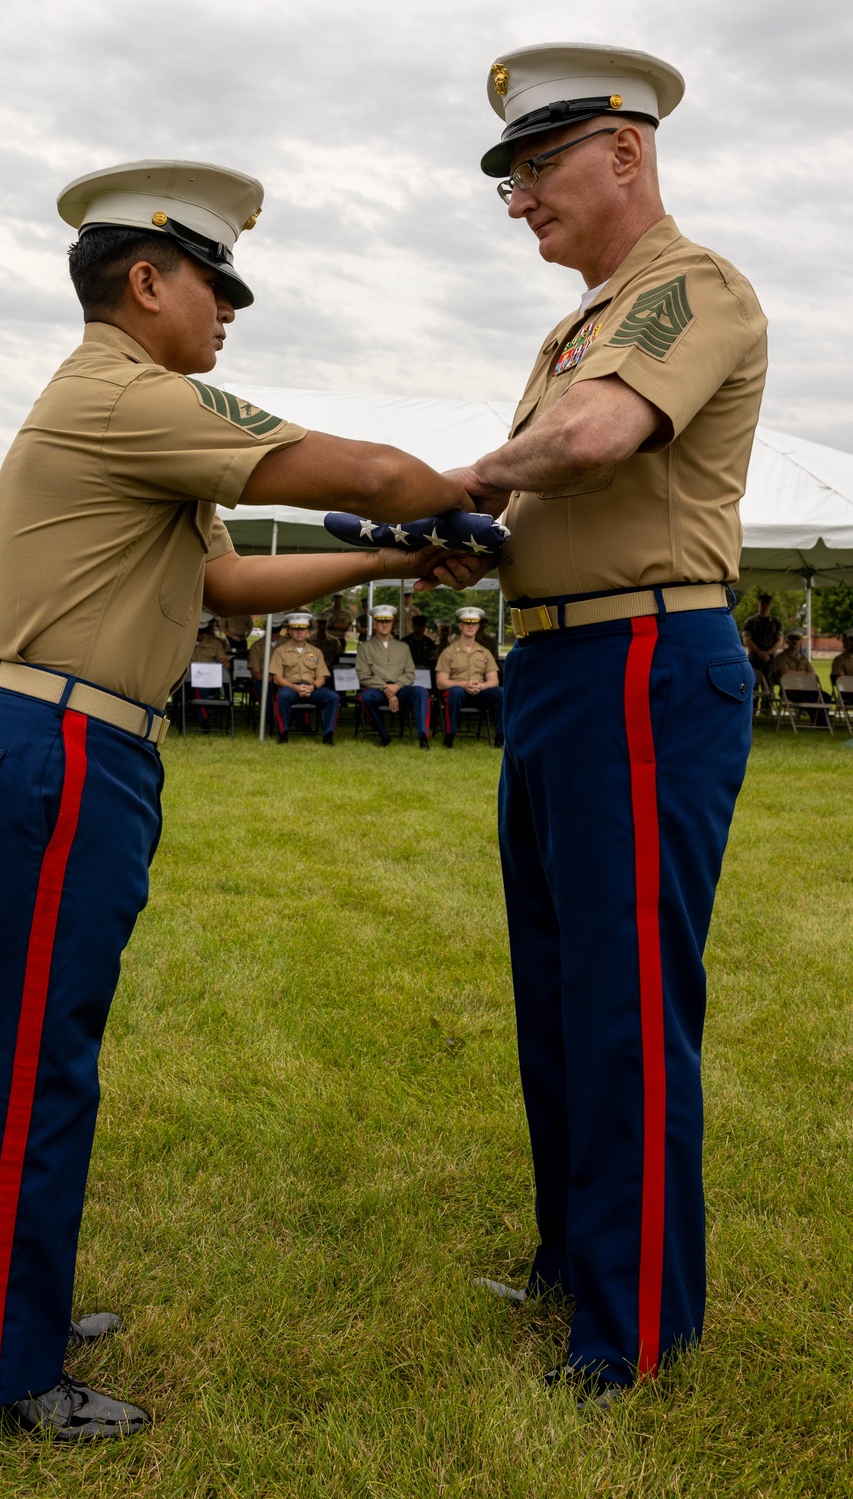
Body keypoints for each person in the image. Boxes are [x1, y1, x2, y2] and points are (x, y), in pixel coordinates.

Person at [0, 157, 481, 1441]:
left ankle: (16, 1310)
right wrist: (458, 493)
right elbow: (348, 462)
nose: (230, 311)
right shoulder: (131, 395)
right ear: (146, 281)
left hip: (78, 749)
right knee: (28, 1069)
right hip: (60, 749)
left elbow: (223, 591)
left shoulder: (136, 416)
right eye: (216, 285)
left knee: (44, 1053)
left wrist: (402, 555)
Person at [447, 44, 767, 1403]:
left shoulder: (688, 289)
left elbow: (589, 442)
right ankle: (582, 1260)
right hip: (564, 669)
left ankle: (631, 1328)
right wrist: (475, 532)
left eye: (537, 165)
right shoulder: (581, 321)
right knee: (562, 987)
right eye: (510, 175)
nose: (519, 196)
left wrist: (457, 473)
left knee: (627, 1000)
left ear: (626, 152)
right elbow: (553, 486)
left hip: (643, 660)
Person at [355, 603, 432, 747]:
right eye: (381, 621)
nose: (384, 624)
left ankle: (423, 737)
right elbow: (363, 675)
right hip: (377, 690)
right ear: (375, 624)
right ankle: (384, 735)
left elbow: (410, 673)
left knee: (421, 692)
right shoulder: (365, 648)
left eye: (388, 621)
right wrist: (388, 690)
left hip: (400, 689)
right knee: (365, 697)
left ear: (392, 623)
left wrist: (397, 686)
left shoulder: (403, 647)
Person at [435, 606, 503, 747]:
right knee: (455, 693)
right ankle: (449, 736)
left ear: (478, 626)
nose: (470, 626)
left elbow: (494, 680)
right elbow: (440, 682)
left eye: (473, 623)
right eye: (467, 623)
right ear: (460, 626)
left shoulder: (484, 652)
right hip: (458, 693)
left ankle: (500, 737)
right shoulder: (448, 652)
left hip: (480, 693)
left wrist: (481, 685)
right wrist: (464, 684)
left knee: (501, 693)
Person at [268, 612, 340, 742]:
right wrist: (293, 687)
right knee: (282, 696)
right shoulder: (280, 651)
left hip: (311, 687)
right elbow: (276, 678)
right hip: (290, 687)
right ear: (289, 630)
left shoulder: (316, 651)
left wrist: (312, 687)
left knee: (333, 697)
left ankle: (328, 735)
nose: (299, 632)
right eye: (295, 629)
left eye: (302, 629)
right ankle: (283, 734)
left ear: (308, 631)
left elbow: (322, 677)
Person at [185, 616, 230, 733]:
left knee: (200, 686)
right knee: (197, 685)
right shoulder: (183, 641)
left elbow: (223, 660)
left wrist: (225, 662)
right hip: (187, 681)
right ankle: (205, 716)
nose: (200, 636)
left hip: (210, 681)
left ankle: (203, 716)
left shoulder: (216, 643)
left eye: (202, 633)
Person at [740, 594, 782, 681]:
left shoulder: (775, 622)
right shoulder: (750, 622)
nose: (765, 606)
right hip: (754, 658)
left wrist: (768, 653)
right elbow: (747, 639)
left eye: (767, 604)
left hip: (770, 659)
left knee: (769, 685)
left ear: (771, 605)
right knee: (753, 684)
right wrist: (760, 653)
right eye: (763, 603)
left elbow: (780, 640)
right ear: (758, 604)